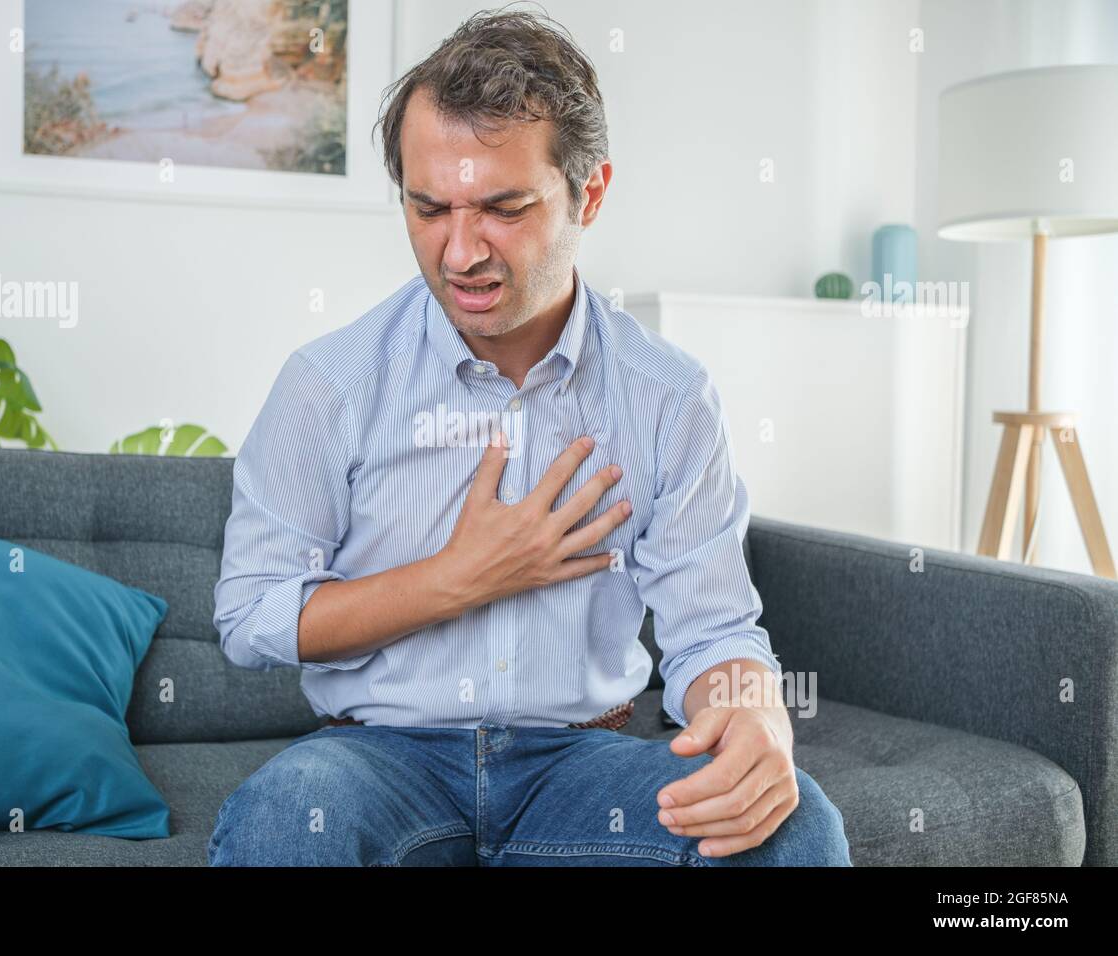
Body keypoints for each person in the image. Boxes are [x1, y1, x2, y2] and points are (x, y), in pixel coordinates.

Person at [208, 6, 851, 867]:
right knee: (283, 819)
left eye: (503, 208)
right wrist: (454, 580)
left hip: (581, 762)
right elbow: (251, 616)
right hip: (375, 761)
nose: (460, 251)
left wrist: (756, 713)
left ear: (589, 192)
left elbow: (714, 631)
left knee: (796, 822)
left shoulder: (668, 397)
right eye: (428, 207)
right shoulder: (329, 384)